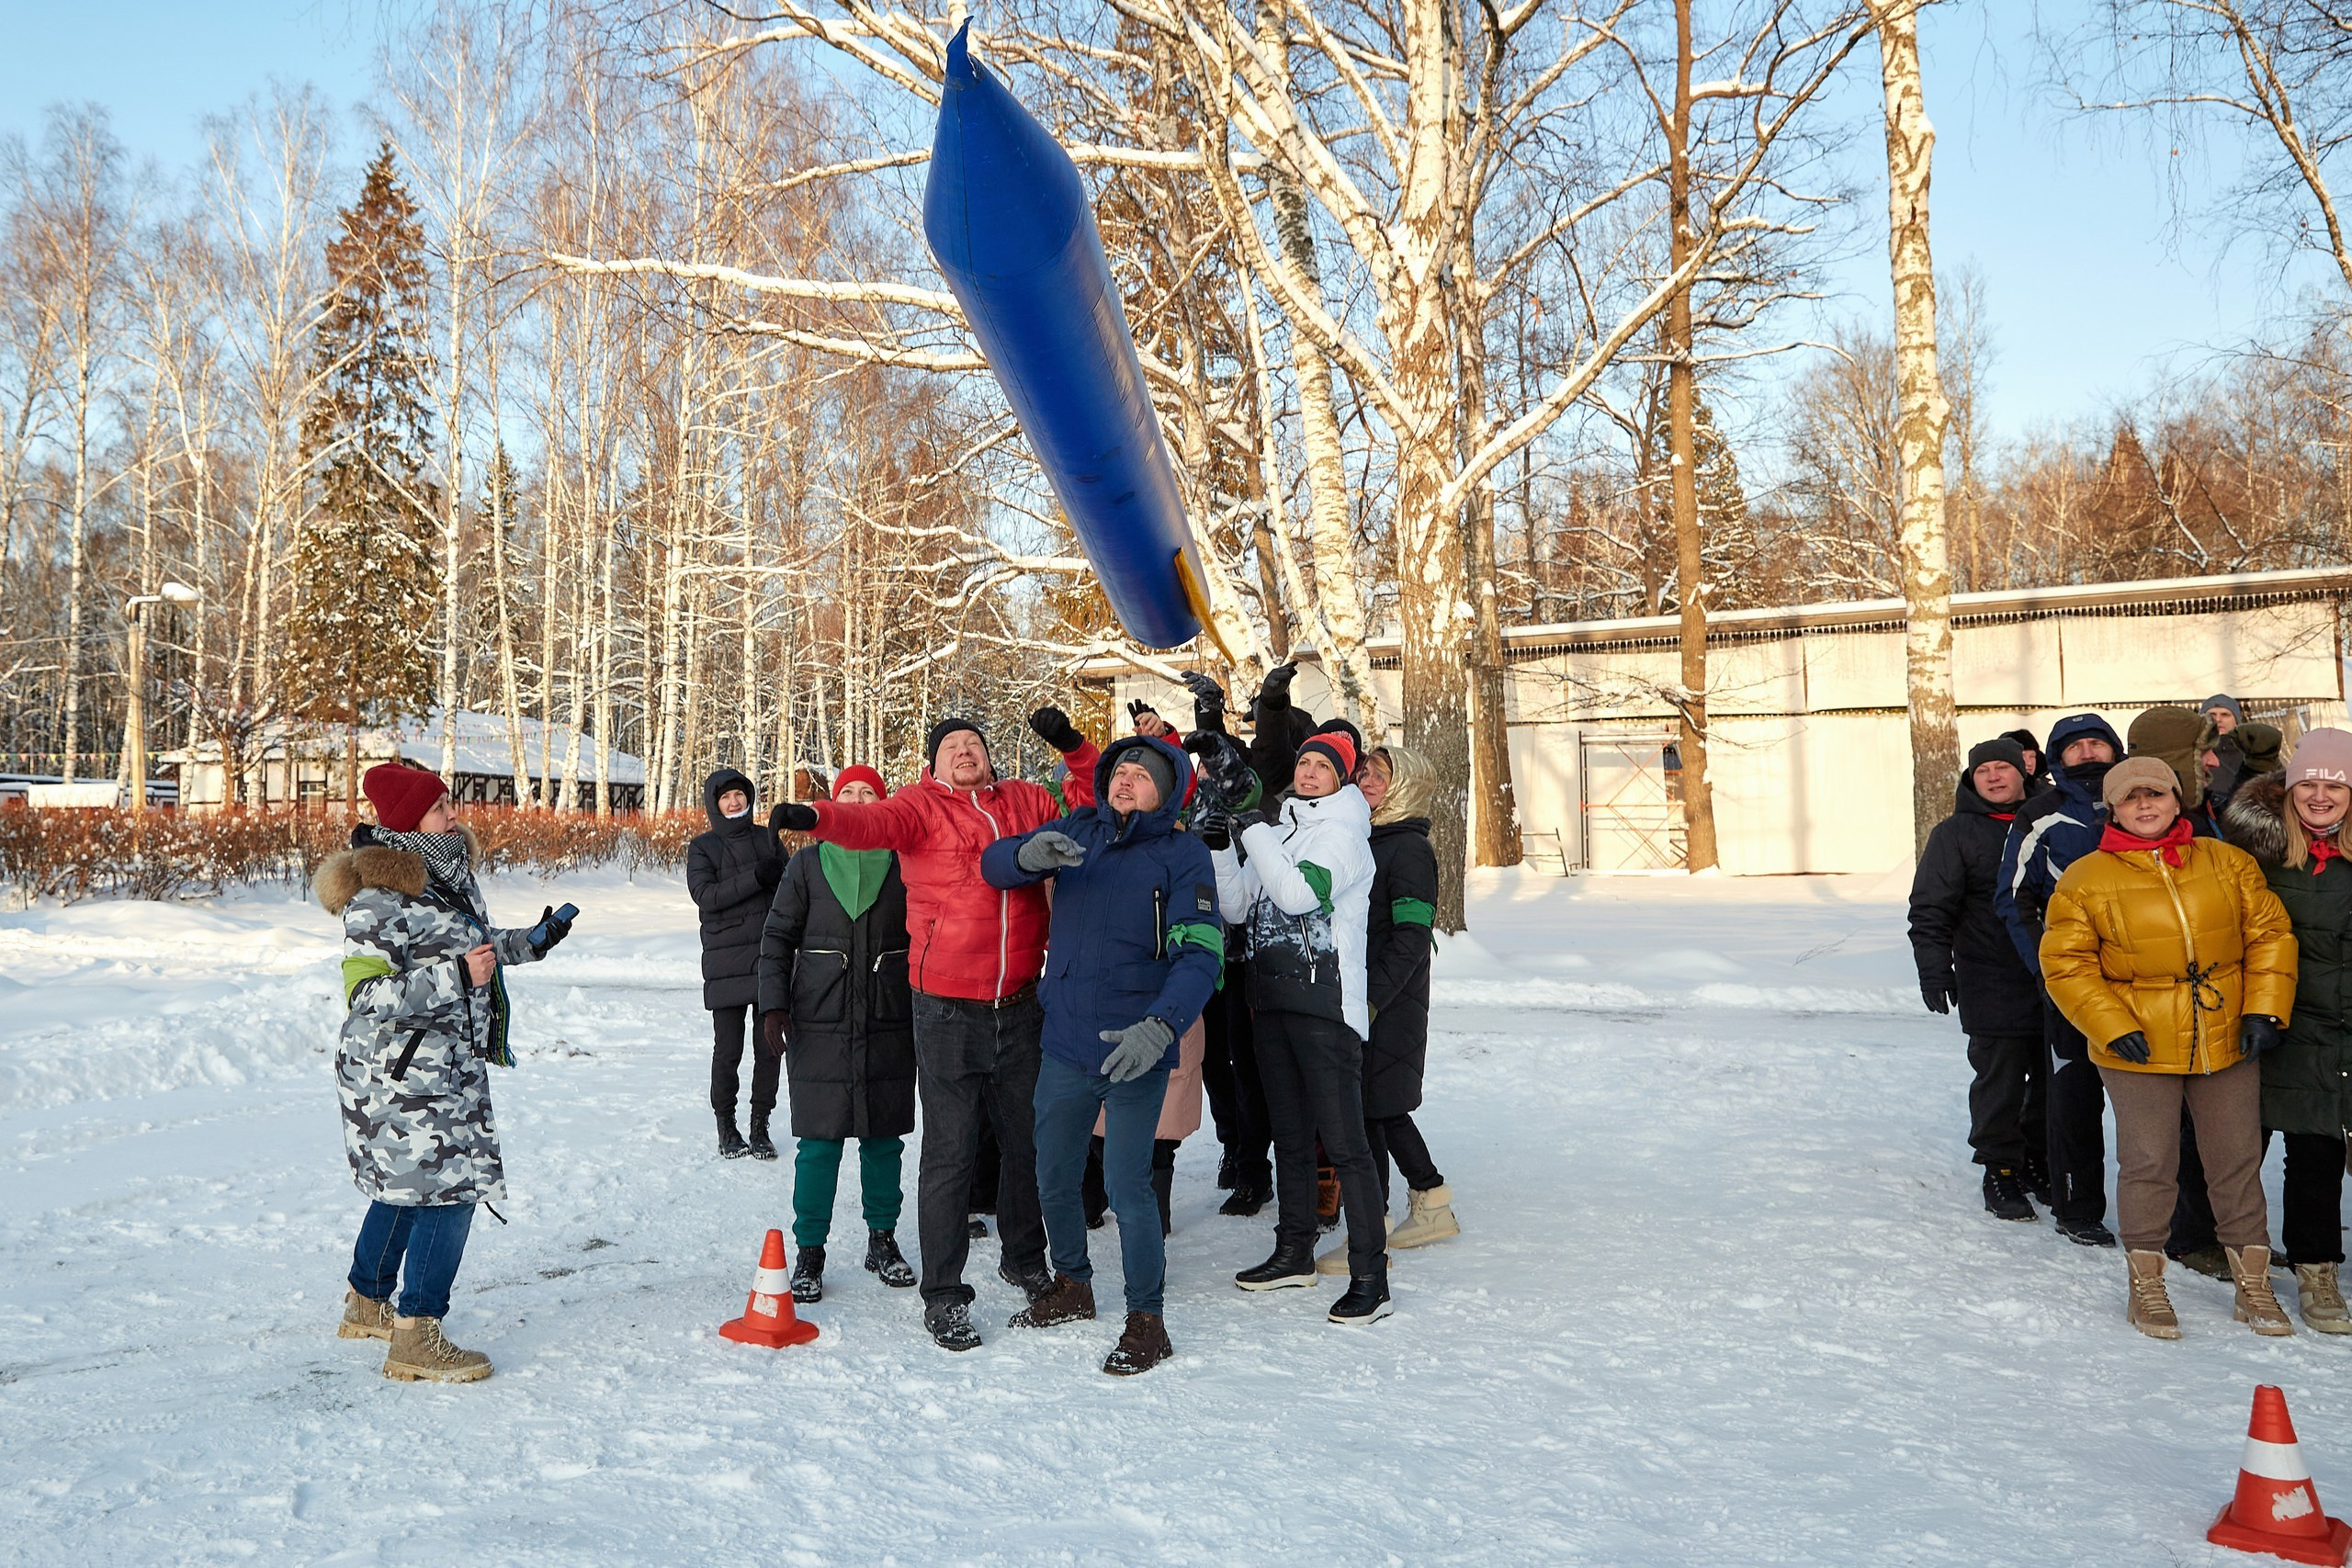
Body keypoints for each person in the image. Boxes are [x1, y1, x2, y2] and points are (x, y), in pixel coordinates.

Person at [772, 709, 1097, 1352]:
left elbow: (1089, 799)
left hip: (1021, 1000)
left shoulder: (1027, 800)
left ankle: (1024, 1257)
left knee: (1023, 1143)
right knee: (950, 1153)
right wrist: (817, 817)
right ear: (932, 763)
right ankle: (944, 1292)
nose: (966, 751)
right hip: (946, 1007)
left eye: (974, 743)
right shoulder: (921, 806)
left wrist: (1072, 745)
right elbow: (868, 823)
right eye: (952, 746)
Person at [320, 761, 571, 1382]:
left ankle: (366, 1300)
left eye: (449, 804)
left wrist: (532, 939)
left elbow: (472, 947)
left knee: (407, 1187)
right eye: (440, 808)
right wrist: (456, 978)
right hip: (402, 1076)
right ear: (408, 823)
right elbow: (368, 998)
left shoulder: (441, 877)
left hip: (441, 1068)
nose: (454, 815)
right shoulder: (377, 899)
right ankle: (416, 1335)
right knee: (451, 1190)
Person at [980, 734, 1223, 1375]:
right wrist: (1027, 852)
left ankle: (1148, 1318)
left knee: (1127, 1187)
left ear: (1166, 793)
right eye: (1121, 769)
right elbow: (994, 865)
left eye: (1143, 776)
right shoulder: (1078, 829)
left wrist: (1161, 1027)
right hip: (1064, 1042)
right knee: (1053, 1173)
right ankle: (1074, 1284)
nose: (1127, 778)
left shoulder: (1182, 854)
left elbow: (1201, 955)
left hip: (1134, 1048)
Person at [2041, 756, 2298, 1339]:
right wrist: (2107, 1023)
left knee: (2235, 1160)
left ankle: (2251, 1284)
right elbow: (2065, 963)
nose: (2146, 805)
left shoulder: (2226, 862)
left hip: (2223, 1031)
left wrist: (2263, 1008)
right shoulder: (2086, 879)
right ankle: (2147, 1286)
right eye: (2131, 798)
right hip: (2137, 1041)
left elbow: (2269, 935)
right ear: (2113, 809)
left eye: (2156, 793)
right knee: (2150, 1162)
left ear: (2177, 798)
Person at [1202, 729, 1390, 1323]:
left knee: (1344, 1143)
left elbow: (1297, 893)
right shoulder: (1283, 828)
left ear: (1341, 778)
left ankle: (1371, 1275)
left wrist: (1252, 824)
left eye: (1321, 766)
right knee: (1289, 1136)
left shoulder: (1344, 836)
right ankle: (1294, 1251)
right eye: (1302, 761)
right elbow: (1239, 906)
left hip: (1327, 1006)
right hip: (1273, 1001)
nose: (1308, 771)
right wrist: (1219, 846)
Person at [756, 765, 918, 1305]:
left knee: (882, 1140)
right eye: (846, 792)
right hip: (818, 1020)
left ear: (883, 803)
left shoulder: (904, 861)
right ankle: (809, 1253)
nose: (855, 801)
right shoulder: (807, 862)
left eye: (867, 793)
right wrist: (774, 1005)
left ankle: (882, 1241)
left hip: (889, 1017)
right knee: (818, 1144)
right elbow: (777, 936)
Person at [2222, 729, 2352, 1333]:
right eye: (2309, 784)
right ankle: (2310, 1267)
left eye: (2335, 785)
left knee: (2324, 1150)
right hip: (2288, 1024)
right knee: (2303, 1149)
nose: (2320, 796)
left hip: (2346, 1027)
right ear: (2288, 788)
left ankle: (2315, 1264)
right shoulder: (2258, 852)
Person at [1315, 741, 1453, 1276]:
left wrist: (1371, 999)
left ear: (1406, 786)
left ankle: (1378, 1225)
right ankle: (1421, 1201)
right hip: (1368, 995)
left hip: (1389, 1000)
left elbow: (1412, 936)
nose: (1366, 782)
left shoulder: (1407, 849)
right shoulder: (1371, 839)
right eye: (1364, 774)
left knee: (1377, 1106)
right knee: (1377, 1106)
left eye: (1379, 776)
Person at [1997, 712, 2128, 1247]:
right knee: (2073, 1097)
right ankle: (2078, 1208)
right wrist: (2046, 969)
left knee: (2163, 1103)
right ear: (2057, 758)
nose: (2089, 753)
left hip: (2148, 978)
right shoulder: (2040, 813)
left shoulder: (2141, 801)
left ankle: (2181, 1223)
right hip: (2072, 981)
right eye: (2076, 747)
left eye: (2098, 743)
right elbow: (2012, 898)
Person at [1909, 738, 2050, 1222]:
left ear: (2022, 774)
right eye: (1983, 770)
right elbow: (1930, 908)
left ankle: (2037, 1160)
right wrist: (1934, 969)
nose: (1993, 777)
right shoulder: (1954, 834)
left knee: (2053, 1083)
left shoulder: (2047, 823)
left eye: (2003, 768)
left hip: (2056, 979)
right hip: (1990, 978)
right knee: (2001, 1082)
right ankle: (2000, 1169)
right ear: (1972, 779)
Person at [1181, 676, 1277, 1216]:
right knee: (1214, 1064)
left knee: (1247, 1067)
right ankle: (1231, 1148)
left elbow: (1238, 780)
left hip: (1245, 956)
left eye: (1213, 761)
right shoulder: (1186, 799)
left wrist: (1211, 720)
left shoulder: (1245, 798)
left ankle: (1253, 1169)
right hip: (1200, 956)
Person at [688, 767, 785, 1159]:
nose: (734, 802)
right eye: (726, 797)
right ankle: (726, 1126)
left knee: (769, 1049)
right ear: (715, 802)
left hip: (768, 959)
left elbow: (792, 888)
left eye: (739, 795)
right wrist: (755, 879)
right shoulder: (703, 847)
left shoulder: (768, 839)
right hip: (726, 962)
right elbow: (705, 896)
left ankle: (760, 1125)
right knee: (728, 1050)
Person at [2001, 728, 2050, 793]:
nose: (2029, 763)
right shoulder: (1994, 792)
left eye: (2032, 756)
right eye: (2023, 756)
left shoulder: (2051, 794)